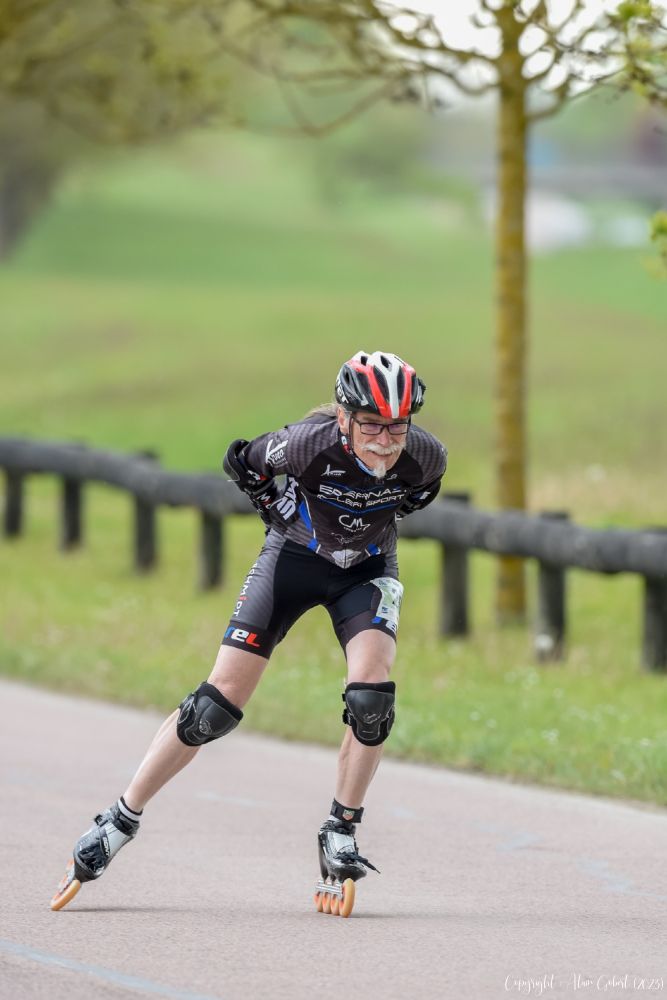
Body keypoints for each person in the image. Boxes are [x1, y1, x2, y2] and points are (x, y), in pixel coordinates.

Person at [51, 350, 447, 913]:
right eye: (371, 425)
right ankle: (119, 819)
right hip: (292, 559)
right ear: (343, 418)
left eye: (397, 427)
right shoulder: (306, 445)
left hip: (366, 569)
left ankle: (340, 829)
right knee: (214, 708)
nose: (385, 441)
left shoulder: (427, 456)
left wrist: (364, 523)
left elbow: (418, 495)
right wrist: (274, 505)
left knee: (372, 699)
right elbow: (242, 461)